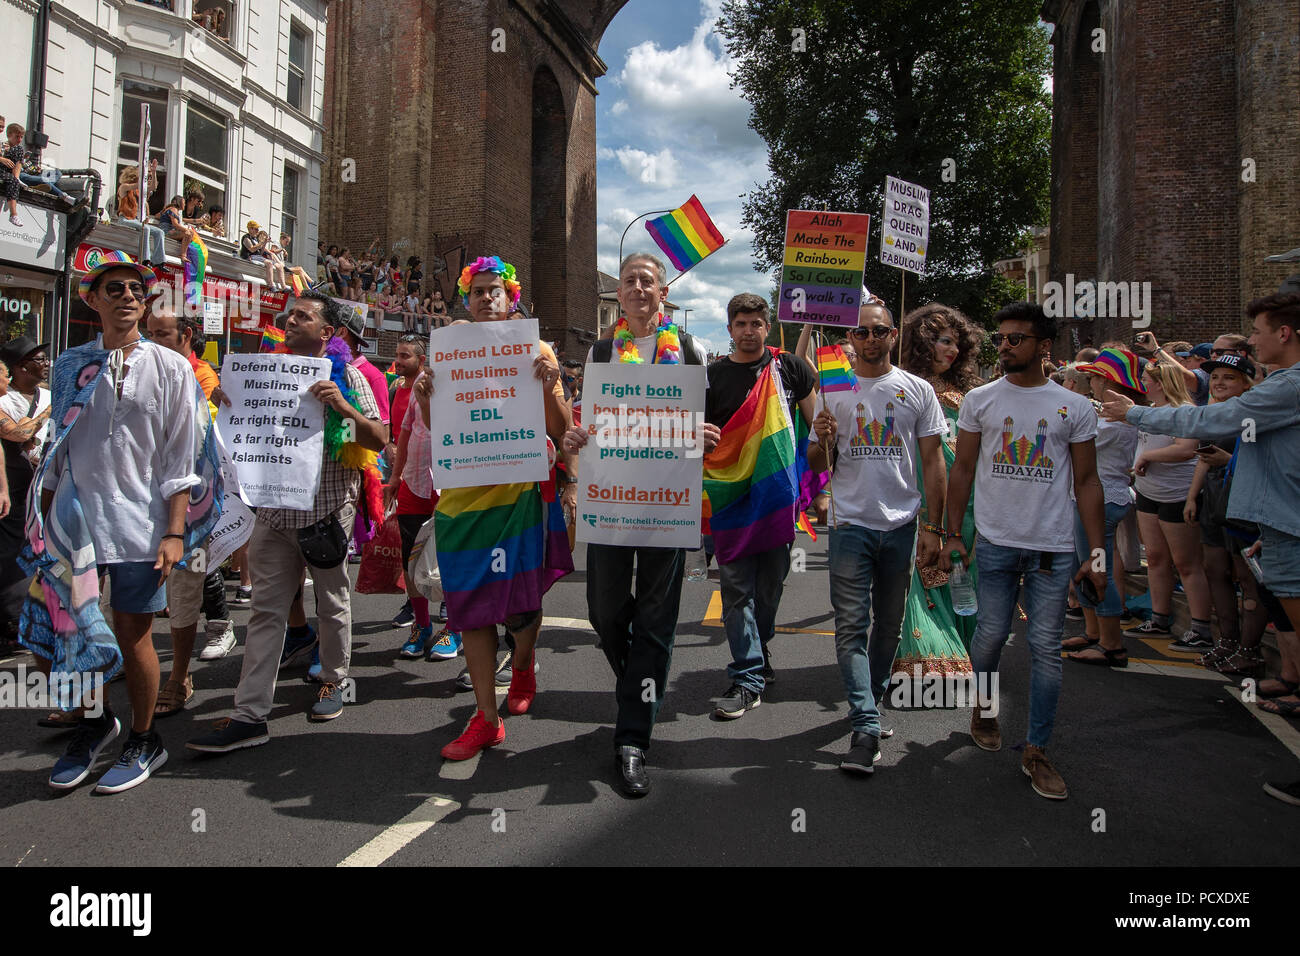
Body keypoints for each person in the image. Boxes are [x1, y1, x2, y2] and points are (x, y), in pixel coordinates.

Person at [23, 251, 218, 792]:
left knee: (134, 635)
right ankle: (93, 724)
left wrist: (175, 532)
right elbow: (57, 451)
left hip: (142, 524)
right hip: (74, 521)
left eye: (136, 288)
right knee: (70, 632)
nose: (129, 296)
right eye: (116, 289)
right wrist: (44, 519)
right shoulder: (71, 365)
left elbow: (183, 460)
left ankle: (143, 736)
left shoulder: (172, 367)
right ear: (92, 299)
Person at [1099, 292, 1300, 805]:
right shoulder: (1281, 384)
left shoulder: (1291, 386)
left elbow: (1209, 421)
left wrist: (1137, 416)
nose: (1251, 340)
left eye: (1256, 331)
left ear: (1285, 333)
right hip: (1277, 525)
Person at [187, 292, 385, 753]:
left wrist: (344, 407)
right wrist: (229, 403)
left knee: (332, 603)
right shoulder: (264, 372)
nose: (290, 320)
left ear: (326, 333)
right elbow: (243, 436)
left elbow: (377, 440)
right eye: (289, 314)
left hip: (325, 514)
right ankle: (250, 714)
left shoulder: (349, 376)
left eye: (303, 316)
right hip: (273, 517)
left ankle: (333, 682)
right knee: (264, 613)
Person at [562, 252, 713, 795]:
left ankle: (632, 739)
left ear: (662, 293)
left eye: (647, 281)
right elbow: (587, 421)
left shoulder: (692, 352)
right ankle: (639, 684)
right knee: (604, 612)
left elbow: (704, 426)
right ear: (619, 295)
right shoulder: (602, 351)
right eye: (629, 281)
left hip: (666, 506)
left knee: (655, 622)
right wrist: (573, 440)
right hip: (612, 501)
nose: (637, 289)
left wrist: (705, 436)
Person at [944, 301, 1107, 801]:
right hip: (994, 544)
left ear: (1043, 346)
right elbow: (963, 471)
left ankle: (1036, 749)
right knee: (990, 637)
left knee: (1045, 651)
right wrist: (953, 534)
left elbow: (1087, 480)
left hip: (1053, 551)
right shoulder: (981, 400)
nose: (1005, 346)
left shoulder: (1074, 407)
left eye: (1016, 338)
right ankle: (984, 708)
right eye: (1001, 338)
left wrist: (1097, 553)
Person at [432, 256, 572, 760]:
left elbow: (561, 428)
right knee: (470, 609)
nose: (486, 298)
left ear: (511, 298)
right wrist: (426, 394)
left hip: (518, 497)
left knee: (520, 610)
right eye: (477, 292)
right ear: (466, 301)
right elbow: (438, 426)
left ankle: (524, 661)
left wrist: (550, 381)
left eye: (496, 291)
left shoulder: (536, 349)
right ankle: (485, 718)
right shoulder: (447, 350)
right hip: (461, 502)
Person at [808, 302, 947, 772]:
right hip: (850, 524)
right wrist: (822, 439)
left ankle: (872, 696)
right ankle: (866, 724)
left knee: (888, 625)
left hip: (902, 525)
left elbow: (933, 461)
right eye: (862, 332)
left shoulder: (917, 390)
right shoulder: (834, 391)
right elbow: (815, 463)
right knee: (851, 626)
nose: (870, 339)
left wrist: (934, 526)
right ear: (852, 337)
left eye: (879, 330)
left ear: (893, 335)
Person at [704, 293, 816, 720]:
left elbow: (815, 423)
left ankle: (760, 643)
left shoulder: (789, 368)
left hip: (776, 495)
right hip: (730, 497)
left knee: (770, 586)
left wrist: (820, 483)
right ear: (730, 329)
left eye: (756, 323)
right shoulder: (712, 377)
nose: (749, 331)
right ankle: (746, 676)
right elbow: (699, 434)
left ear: (767, 326)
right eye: (741, 324)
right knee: (736, 589)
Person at [143, 304, 236, 716]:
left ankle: (180, 675)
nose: (152, 342)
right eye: (150, 334)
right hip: (141, 504)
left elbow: (200, 442)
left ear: (186, 336)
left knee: (185, 589)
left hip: (193, 507)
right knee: (124, 597)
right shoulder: (136, 370)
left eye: (163, 334)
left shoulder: (202, 377)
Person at [895, 303, 985, 681]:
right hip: (920, 499)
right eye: (942, 341)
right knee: (922, 576)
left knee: (962, 576)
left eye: (956, 344)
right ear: (921, 343)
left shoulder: (971, 394)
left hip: (967, 504)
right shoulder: (903, 389)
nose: (951, 350)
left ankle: (966, 652)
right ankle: (927, 660)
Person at [1119, 360, 1214, 649]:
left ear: (1161, 383)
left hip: (1177, 495)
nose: (1143, 383)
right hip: (1149, 493)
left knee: (1187, 564)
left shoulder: (1183, 411)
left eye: (1147, 378)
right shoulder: (1149, 411)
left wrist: (1150, 457)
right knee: (1157, 559)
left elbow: (1187, 450)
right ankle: (1159, 618)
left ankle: (1200, 628)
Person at [1181, 353, 1266, 674]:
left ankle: (1250, 650)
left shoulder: (1254, 415)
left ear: (1247, 383)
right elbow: (1204, 459)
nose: (1218, 382)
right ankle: (1227, 642)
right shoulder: (1213, 414)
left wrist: (1227, 459)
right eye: (1215, 377)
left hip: (1243, 502)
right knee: (1214, 569)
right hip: (1213, 498)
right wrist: (1192, 498)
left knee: (1246, 576)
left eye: (1229, 377)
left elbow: (1260, 461)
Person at [1061, 348, 1144, 666]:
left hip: (1101, 501)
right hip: (1089, 500)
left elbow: (1076, 443)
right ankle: (1094, 632)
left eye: (1095, 378)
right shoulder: (1108, 416)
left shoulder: (1119, 421)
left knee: (1099, 570)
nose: (1090, 383)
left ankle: (1112, 644)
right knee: (1081, 566)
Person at [382, 335, 459, 659]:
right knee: (410, 558)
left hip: (450, 486)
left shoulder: (466, 386)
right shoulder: (417, 387)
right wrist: (396, 477)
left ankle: (453, 628)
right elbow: (407, 432)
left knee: (453, 558)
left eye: (405, 354)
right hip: (414, 483)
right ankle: (422, 624)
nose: (399, 360)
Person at [115, 162, 166, 267]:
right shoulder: (124, 188)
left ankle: (159, 261)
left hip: (134, 221)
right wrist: (144, 173)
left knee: (159, 232)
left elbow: (152, 187)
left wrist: (154, 171)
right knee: (145, 229)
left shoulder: (138, 191)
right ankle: (145, 259)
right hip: (124, 219)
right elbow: (140, 184)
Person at [0, 123, 24, 226]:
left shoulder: (17, 149)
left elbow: (18, 165)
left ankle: (13, 214)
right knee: (12, 180)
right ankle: (13, 214)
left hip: (6, 174)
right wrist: (2, 159)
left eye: (21, 137)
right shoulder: (2, 145)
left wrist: (17, 178)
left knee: (14, 180)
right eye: (17, 137)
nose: (19, 140)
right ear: (9, 135)